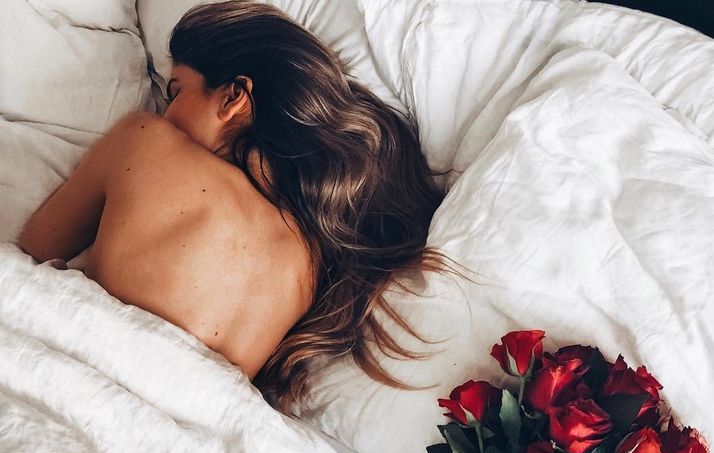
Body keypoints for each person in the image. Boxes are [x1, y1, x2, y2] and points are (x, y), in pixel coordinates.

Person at [18, 1, 473, 416]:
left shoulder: (146, 140)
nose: (166, 111)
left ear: (234, 97)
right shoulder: (310, 261)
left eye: (176, 92)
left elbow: (36, 248)